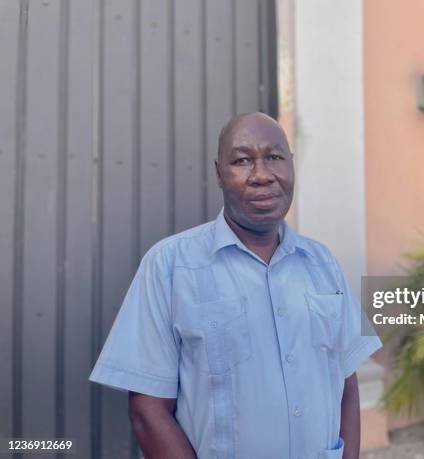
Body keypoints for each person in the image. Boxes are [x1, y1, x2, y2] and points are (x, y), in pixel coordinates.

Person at [89, 112, 382, 459]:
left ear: (291, 164)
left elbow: (346, 382)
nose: (261, 175)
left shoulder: (324, 263)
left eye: (274, 157)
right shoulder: (168, 265)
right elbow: (147, 412)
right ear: (219, 173)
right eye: (242, 160)